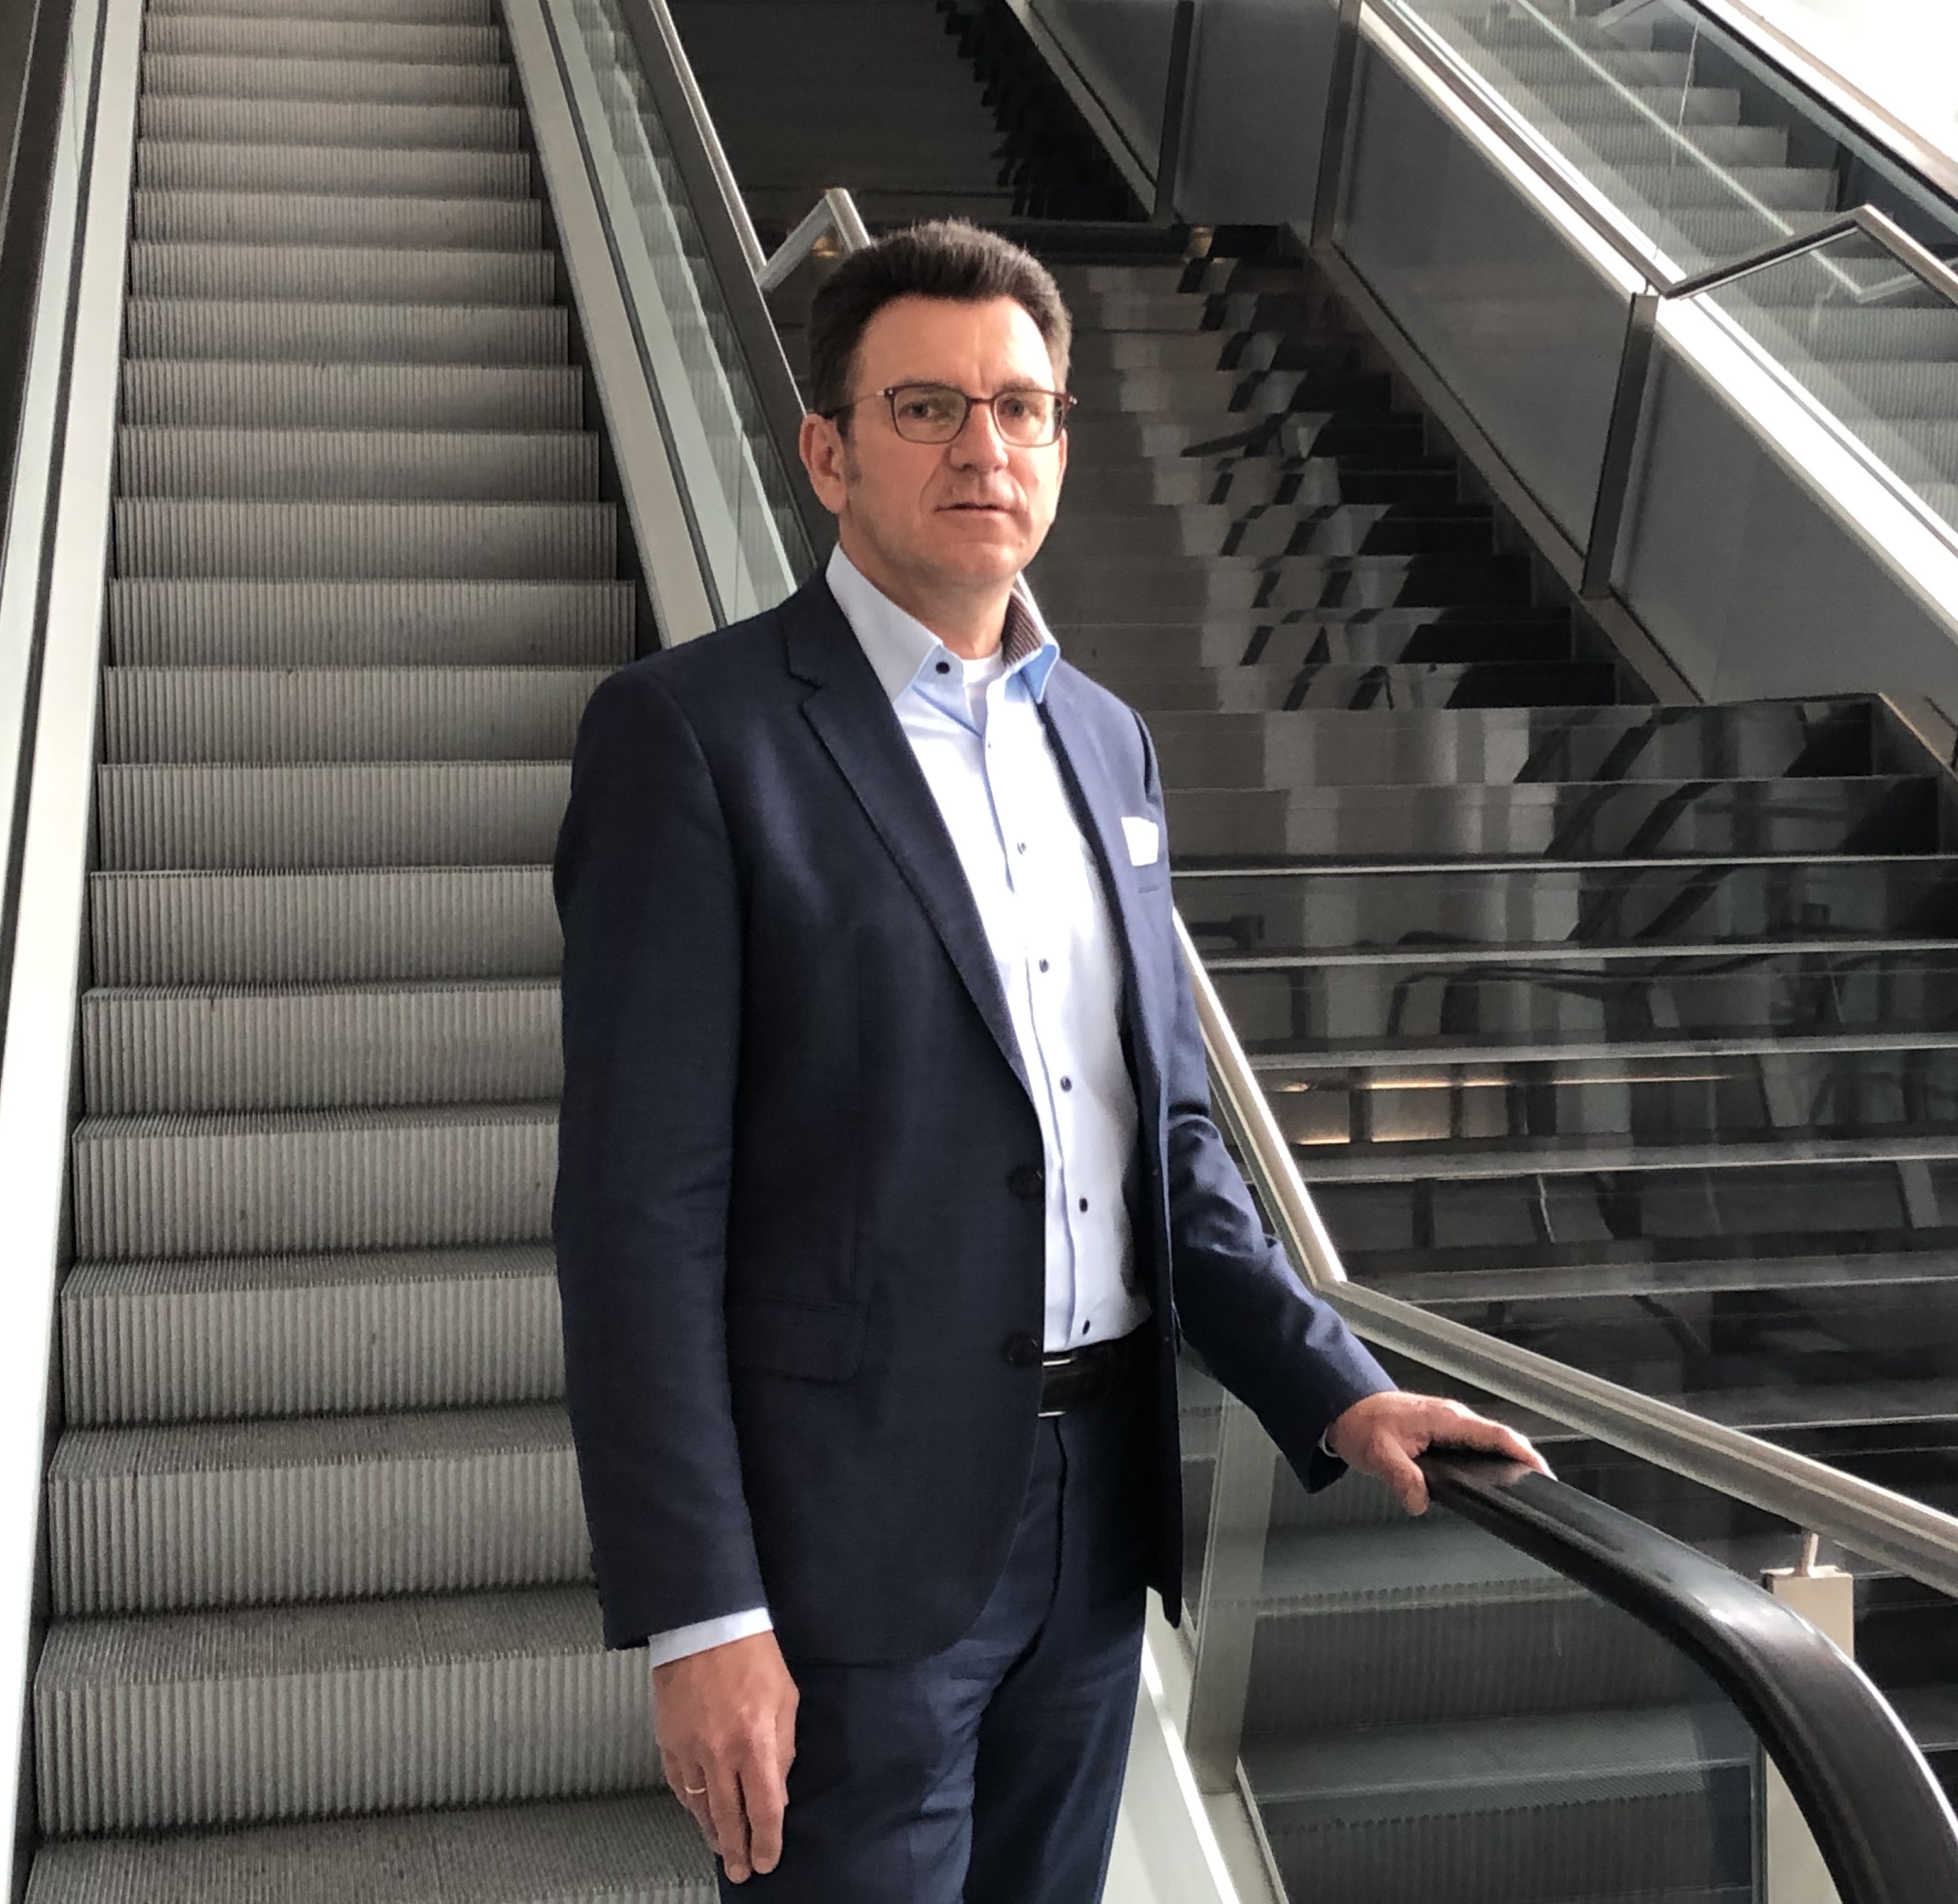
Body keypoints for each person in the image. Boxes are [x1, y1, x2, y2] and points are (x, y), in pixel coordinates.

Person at [551, 218, 1546, 1903]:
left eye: (1021, 408)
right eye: (927, 407)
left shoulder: (1108, 739)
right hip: (845, 1547)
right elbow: (639, 1215)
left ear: (1063, 444)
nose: (983, 447)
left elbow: (1161, 1132)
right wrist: (701, 1614)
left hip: (1097, 1528)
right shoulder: (696, 737)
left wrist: (1334, 1381)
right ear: (828, 452)